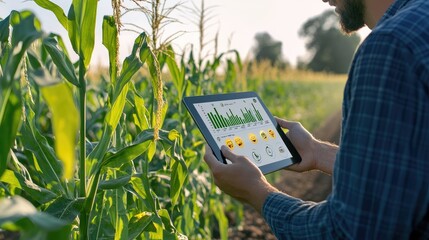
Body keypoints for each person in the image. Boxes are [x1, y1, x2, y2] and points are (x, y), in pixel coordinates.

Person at [203, 0, 429, 238]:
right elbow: (406, 173)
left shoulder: (390, 46)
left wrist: (256, 191)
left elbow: (349, 232)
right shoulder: (419, 24)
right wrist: (318, 152)